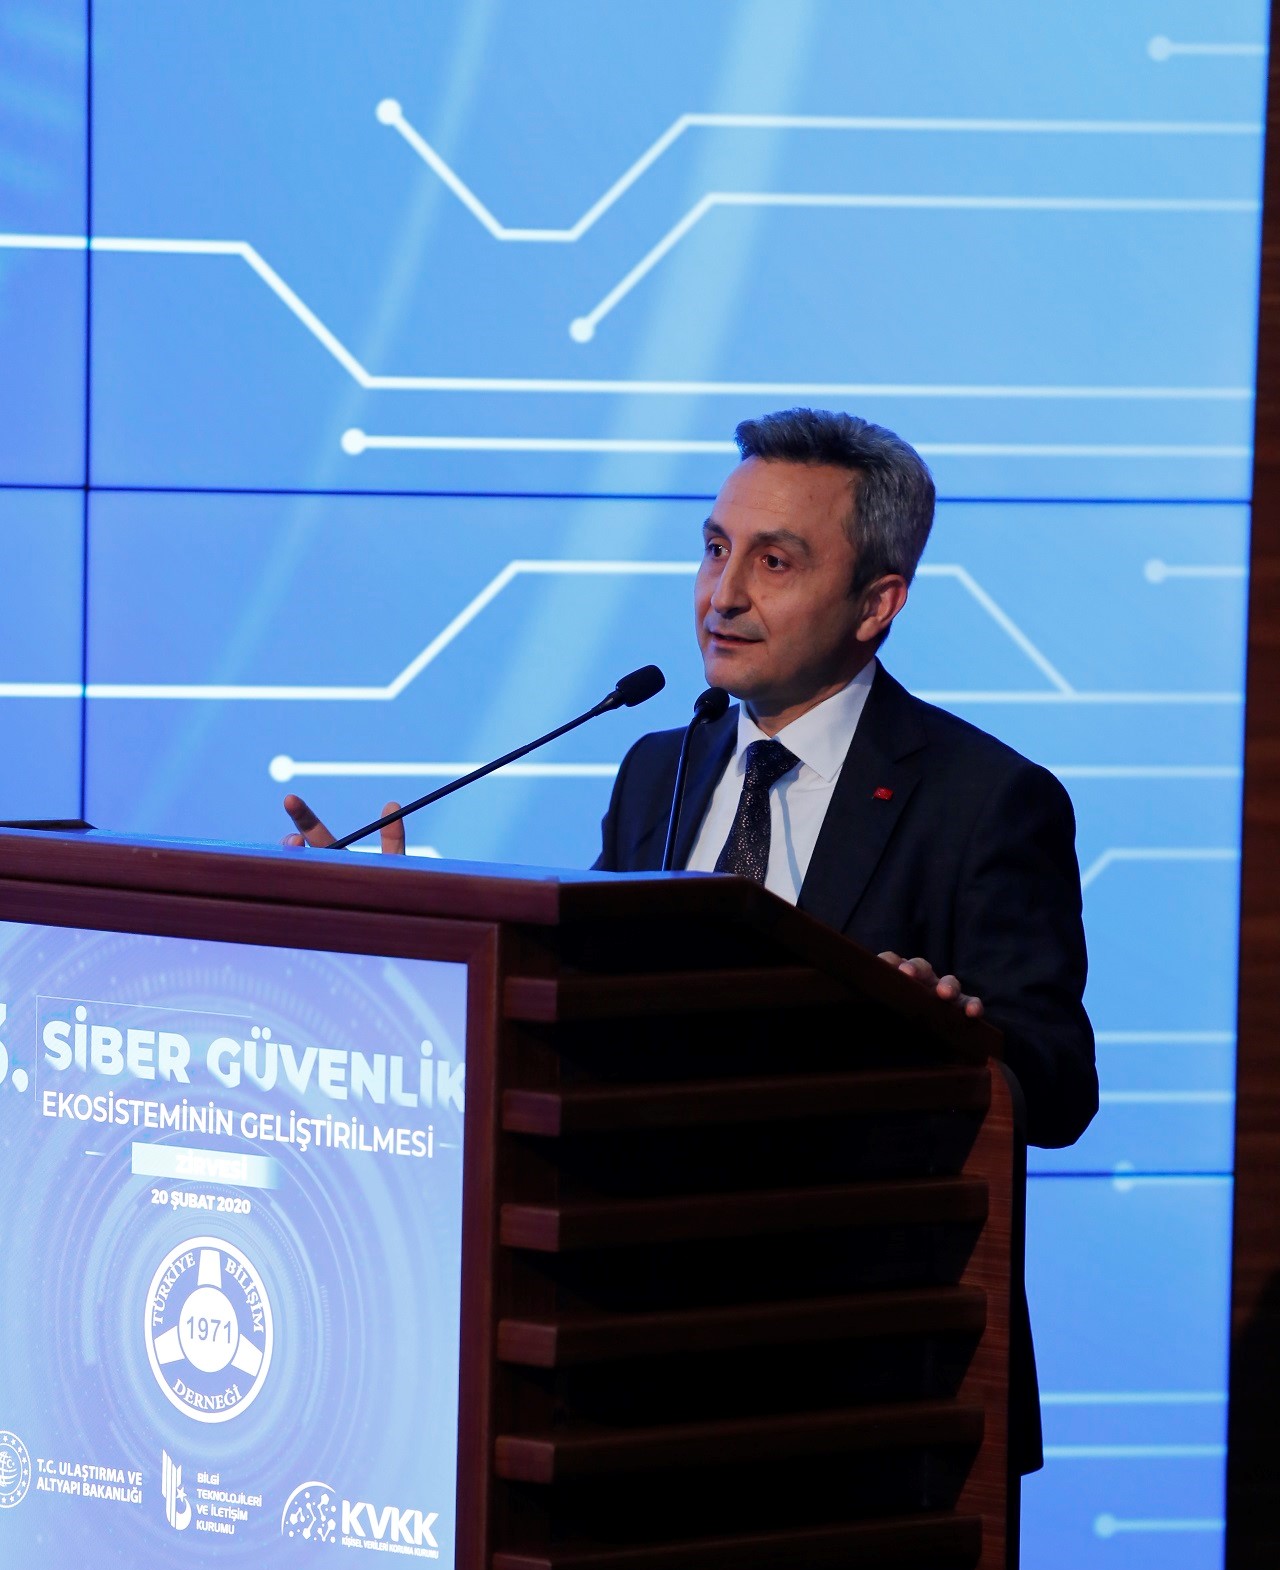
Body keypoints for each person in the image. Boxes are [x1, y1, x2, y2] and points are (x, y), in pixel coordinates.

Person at [286, 407, 1096, 1151]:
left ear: (876, 604)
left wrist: (942, 1041)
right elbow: (572, 1000)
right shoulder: (658, 769)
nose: (724, 595)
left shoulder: (984, 800)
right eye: (715, 550)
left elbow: (1060, 1089)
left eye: (773, 562)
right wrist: (401, 940)